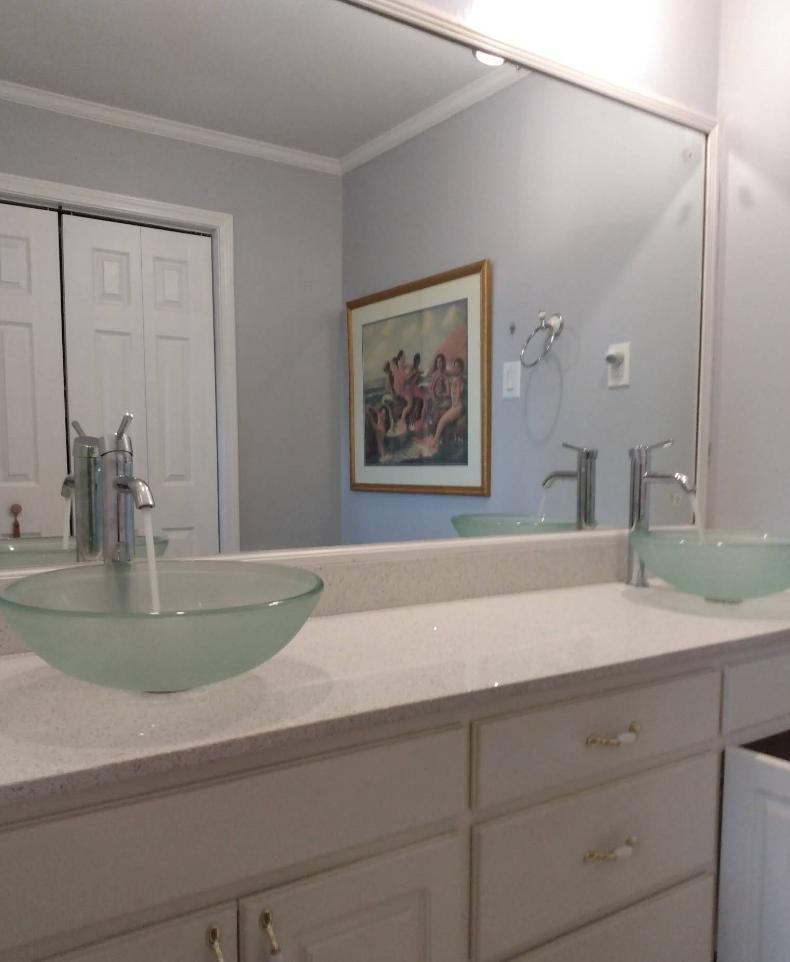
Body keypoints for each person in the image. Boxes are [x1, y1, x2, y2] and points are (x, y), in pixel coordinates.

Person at [427, 357, 465, 453]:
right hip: (454, 406)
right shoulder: (454, 379)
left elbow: (457, 394)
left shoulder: (459, 380)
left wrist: (451, 385)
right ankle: (436, 441)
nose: (455, 369)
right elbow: (448, 393)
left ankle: (434, 444)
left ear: (461, 369)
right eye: (454, 367)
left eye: (458, 367)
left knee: (441, 422)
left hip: (457, 407)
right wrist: (441, 393)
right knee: (441, 420)